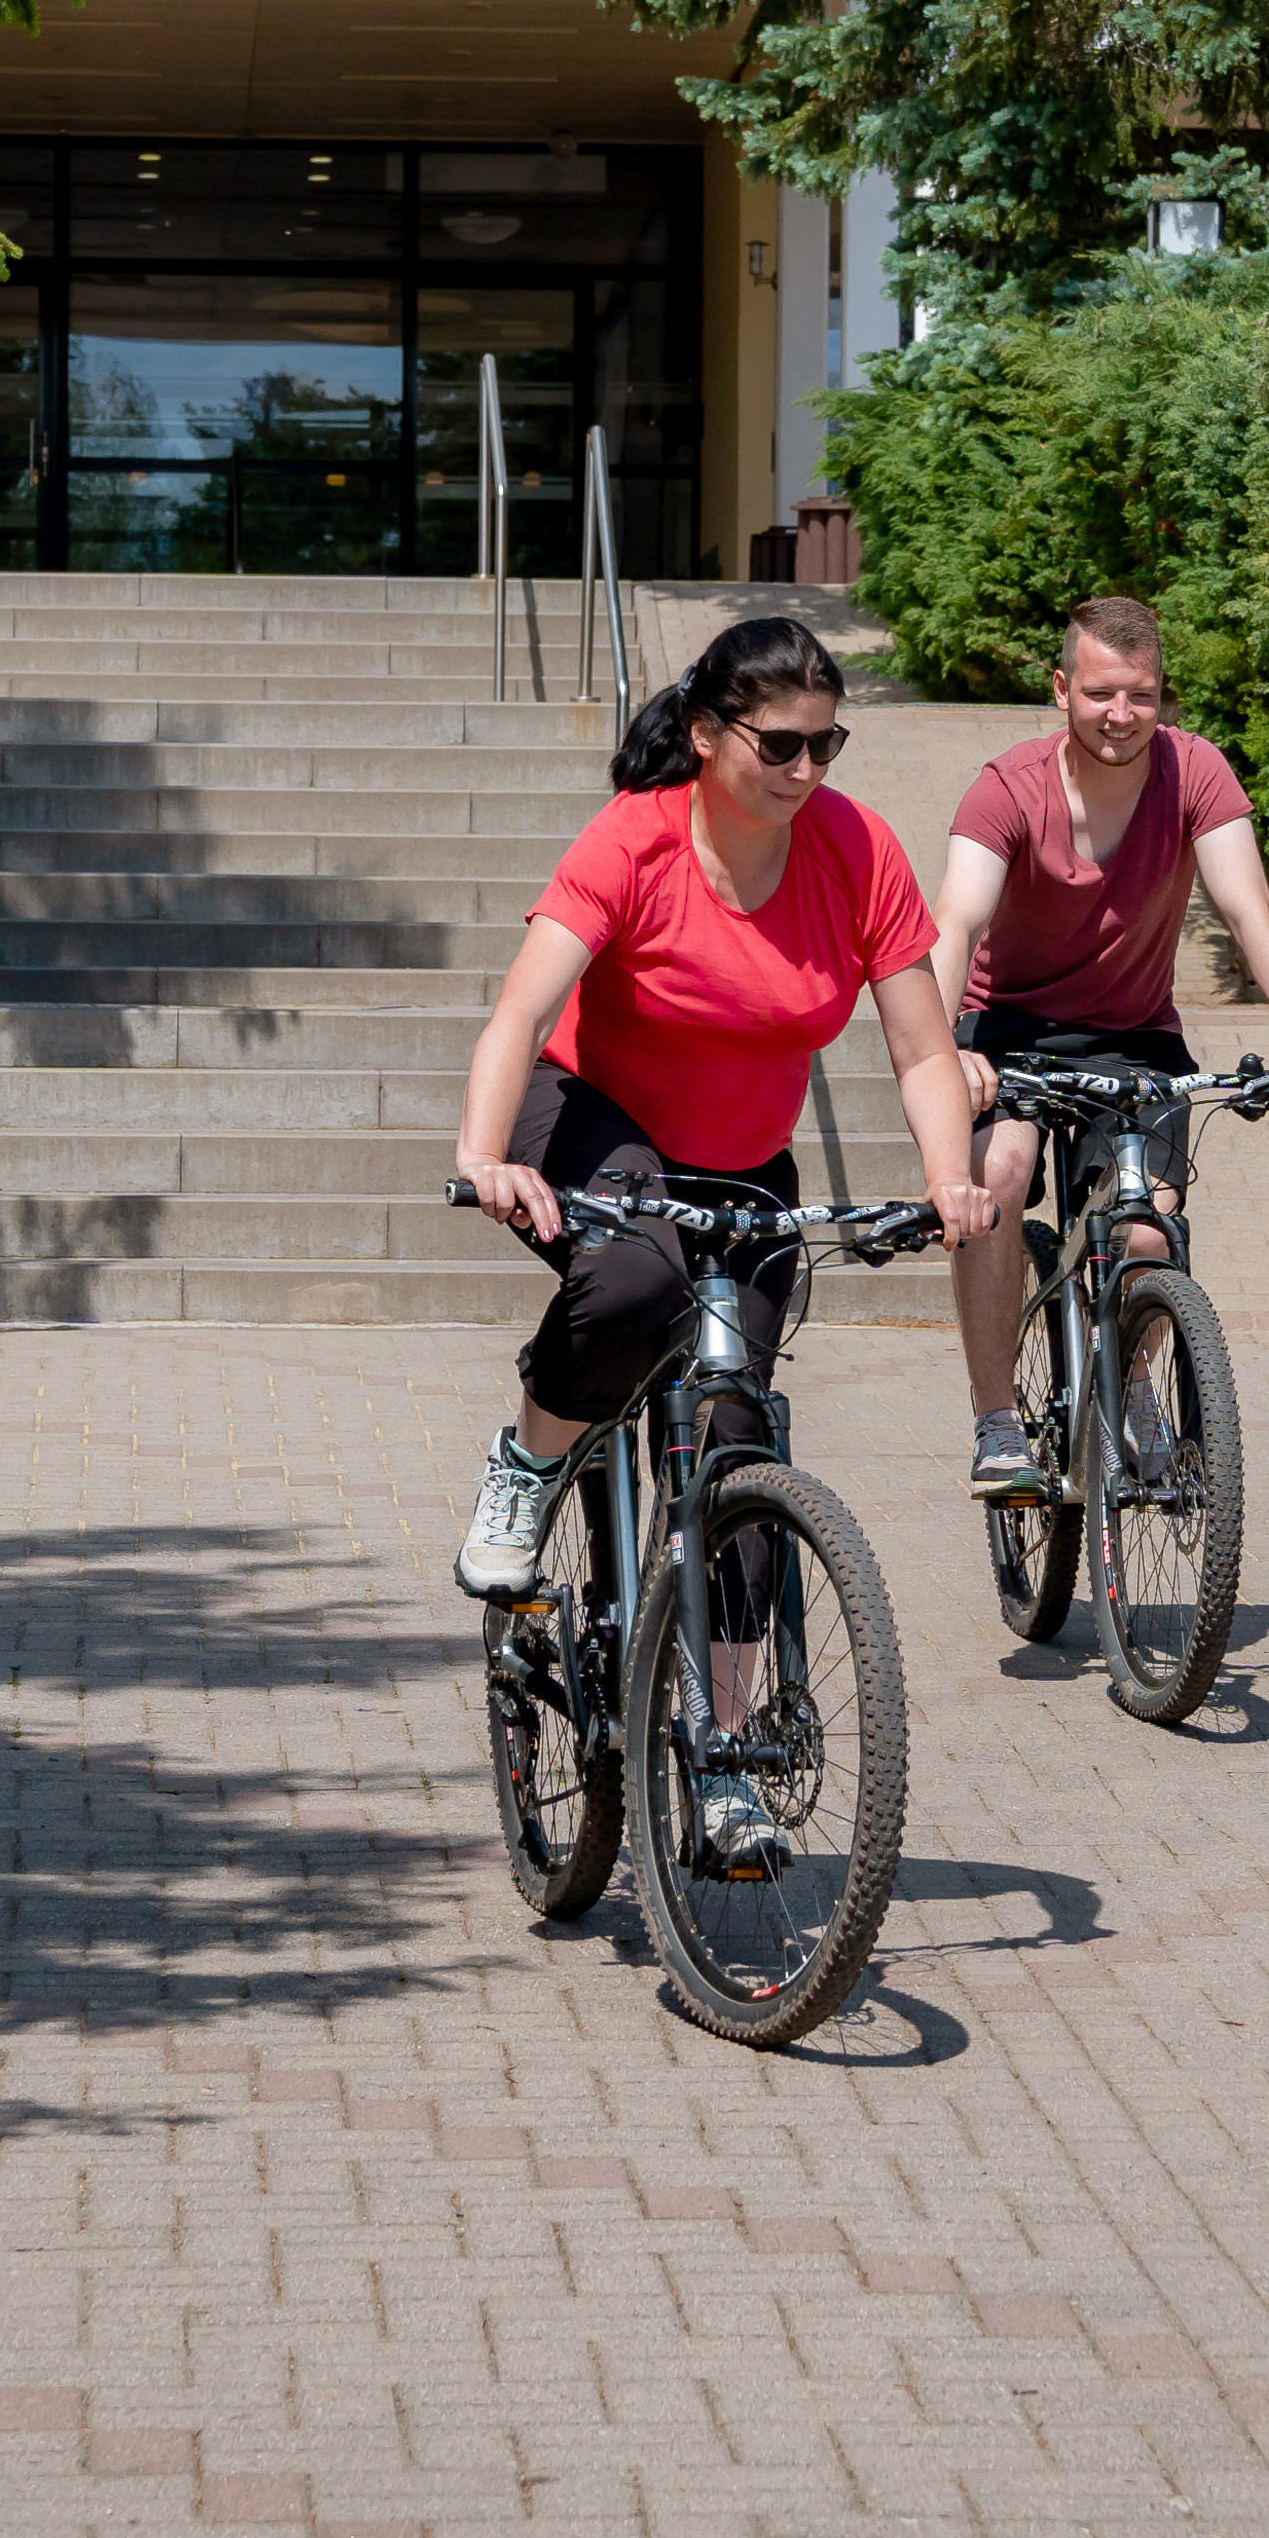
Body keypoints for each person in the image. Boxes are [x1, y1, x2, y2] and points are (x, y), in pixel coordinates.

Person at [449, 617, 994, 1831]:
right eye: (782, 746)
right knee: (636, 1283)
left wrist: (951, 1180)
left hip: (744, 1158)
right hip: (590, 1114)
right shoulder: (636, 839)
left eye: (828, 746)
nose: (809, 774)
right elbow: (518, 1011)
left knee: (737, 1434)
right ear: (707, 735)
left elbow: (920, 1047)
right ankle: (530, 1464)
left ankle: (726, 1754)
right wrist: (483, 1155)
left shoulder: (853, 850)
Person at [940, 595, 1269, 1501]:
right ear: (1061, 689)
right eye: (1099, 695)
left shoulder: (1196, 771)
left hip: (1134, 1037)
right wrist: (943, 1054)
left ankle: (1130, 1383)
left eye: (1141, 695)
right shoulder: (1006, 788)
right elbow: (957, 923)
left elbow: (1252, 911)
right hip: (1007, 1029)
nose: (1121, 716)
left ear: (1162, 694)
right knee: (1000, 1173)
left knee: (1145, 1225)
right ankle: (998, 1419)